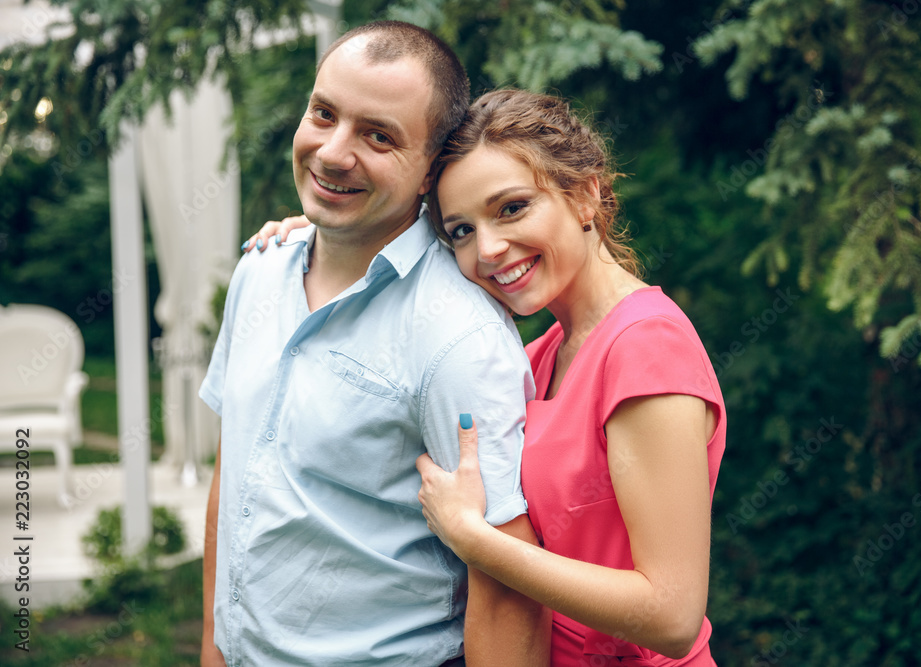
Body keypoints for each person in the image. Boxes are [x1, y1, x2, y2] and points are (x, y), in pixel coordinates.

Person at [250, 89, 726, 666]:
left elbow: (671, 616)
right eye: (461, 231)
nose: (491, 248)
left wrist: (475, 540)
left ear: (584, 193)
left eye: (511, 208)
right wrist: (335, 231)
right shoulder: (546, 350)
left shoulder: (646, 348)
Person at [201, 22, 549, 667]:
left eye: (378, 135)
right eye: (323, 114)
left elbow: (508, 581)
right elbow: (233, 481)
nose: (333, 152)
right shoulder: (259, 270)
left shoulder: (457, 336)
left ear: (429, 172)